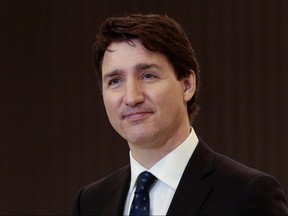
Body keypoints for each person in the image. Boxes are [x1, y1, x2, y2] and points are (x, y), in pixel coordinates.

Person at [73, 14, 288, 215]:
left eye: (148, 76)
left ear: (187, 84)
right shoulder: (90, 203)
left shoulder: (247, 194)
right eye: (115, 81)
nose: (131, 97)